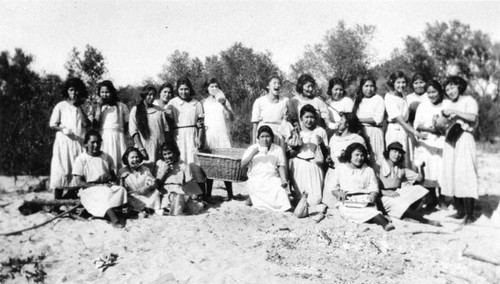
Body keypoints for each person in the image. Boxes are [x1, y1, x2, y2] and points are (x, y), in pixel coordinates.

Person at [326, 143, 394, 231]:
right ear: (350, 154)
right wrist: (339, 194)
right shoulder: (340, 169)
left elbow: (374, 188)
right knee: (347, 211)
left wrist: (373, 195)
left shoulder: (368, 170)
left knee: (371, 211)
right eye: (357, 155)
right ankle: (380, 219)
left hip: (364, 200)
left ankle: (384, 224)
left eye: (362, 155)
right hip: (348, 201)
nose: (359, 158)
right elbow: (333, 188)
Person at [441, 76, 479, 224]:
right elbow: (443, 122)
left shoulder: (469, 101)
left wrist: (455, 112)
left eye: (452, 87)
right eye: (447, 89)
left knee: (466, 173)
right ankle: (460, 210)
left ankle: (470, 214)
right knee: (451, 173)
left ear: (459, 86)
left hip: (464, 138)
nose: (450, 91)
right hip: (451, 139)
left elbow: (472, 118)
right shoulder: (447, 103)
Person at [73, 130, 128, 228]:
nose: (96, 145)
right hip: (89, 189)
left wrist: (113, 183)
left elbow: (113, 176)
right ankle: (114, 219)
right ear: (86, 143)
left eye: (98, 142)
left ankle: (113, 212)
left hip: (106, 186)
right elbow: (79, 182)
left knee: (121, 190)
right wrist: (98, 186)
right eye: (92, 142)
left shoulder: (106, 157)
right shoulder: (81, 159)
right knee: (102, 195)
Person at [377, 142, 440, 226]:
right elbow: (370, 186)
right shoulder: (378, 165)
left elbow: (420, 178)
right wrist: (385, 193)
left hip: (396, 194)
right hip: (381, 196)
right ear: (388, 152)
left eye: (400, 153)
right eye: (394, 151)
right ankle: (425, 221)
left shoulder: (401, 168)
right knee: (400, 204)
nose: (397, 155)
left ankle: (406, 215)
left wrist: (420, 167)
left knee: (420, 190)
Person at [49, 78, 90, 196]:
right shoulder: (61, 106)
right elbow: (52, 124)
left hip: (79, 142)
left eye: (77, 90)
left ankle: (68, 199)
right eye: (71, 90)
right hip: (64, 143)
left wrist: (78, 108)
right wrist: (62, 129)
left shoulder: (84, 106)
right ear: (67, 91)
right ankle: (56, 202)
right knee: (61, 170)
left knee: (77, 171)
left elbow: (86, 124)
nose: (74, 93)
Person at [166, 77, 206, 197]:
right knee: (182, 163)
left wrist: (199, 138)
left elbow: (201, 123)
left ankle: (201, 194)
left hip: (192, 135)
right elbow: (168, 121)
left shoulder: (197, 103)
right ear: (177, 90)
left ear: (190, 89)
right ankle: (185, 194)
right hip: (178, 136)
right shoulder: (172, 103)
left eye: (186, 89)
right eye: (181, 89)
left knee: (195, 164)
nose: (184, 92)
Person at [240, 126, 291, 212]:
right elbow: (242, 165)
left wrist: (283, 179)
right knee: (257, 189)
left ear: (272, 137)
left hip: (272, 178)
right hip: (256, 178)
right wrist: (253, 154)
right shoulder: (252, 148)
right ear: (258, 138)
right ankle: (252, 198)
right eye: (262, 137)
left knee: (280, 190)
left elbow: (281, 166)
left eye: (267, 136)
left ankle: (254, 198)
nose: (265, 139)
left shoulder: (277, 149)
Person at [413, 80, 446, 209]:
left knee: (442, 170)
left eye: (434, 92)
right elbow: (417, 125)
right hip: (427, 142)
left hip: (443, 142)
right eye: (429, 92)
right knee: (429, 170)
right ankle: (431, 198)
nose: (431, 95)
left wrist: (441, 128)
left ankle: (442, 199)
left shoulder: (446, 105)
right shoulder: (423, 106)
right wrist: (431, 130)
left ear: (440, 91)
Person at [384, 71, 427, 169]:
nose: (401, 85)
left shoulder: (403, 95)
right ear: (392, 83)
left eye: (403, 82)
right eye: (398, 82)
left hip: (405, 130)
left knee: (407, 158)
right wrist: (415, 132)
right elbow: (400, 120)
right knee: (396, 158)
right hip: (395, 130)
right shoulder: (389, 97)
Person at [289, 104, 328, 212]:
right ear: (301, 118)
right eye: (306, 117)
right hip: (299, 164)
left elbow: (326, 152)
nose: (309, 120)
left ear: (315, 118)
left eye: (312, 117)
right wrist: (297, 144)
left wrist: (321, 144)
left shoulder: (321, 131)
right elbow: (290, 152)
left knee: (315, 200)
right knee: (299, 197)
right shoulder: (297, 131)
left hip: (314, 165)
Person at [322, 113, 366, 208]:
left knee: (344, 206)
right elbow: (330, 154)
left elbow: (363, 159)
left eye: (341, 121)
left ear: (347, 124)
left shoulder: (357, 139)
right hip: (332, 173)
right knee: (329, 205)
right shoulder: (334, 138)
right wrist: (328, 158)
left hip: (346, 176)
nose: (338, 123)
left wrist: (346, 157)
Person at [202, 78, 235, 200]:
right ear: (207, 88)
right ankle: (208, 193)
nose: (214, 89)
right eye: (211, 86)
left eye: (216, 86)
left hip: (222, 135)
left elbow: (231, 117)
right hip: (209, 135)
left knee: (226, 165)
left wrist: (224, 105)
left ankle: (230, 194)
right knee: (210, 165)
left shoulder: (224, 101)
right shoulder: (203, 103)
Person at [129, 85, 170, 170]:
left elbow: (166, 129)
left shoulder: (159, 110)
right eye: (149, 94)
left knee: (160, 170)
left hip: (159, 147)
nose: (151, 97)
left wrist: (165, 147)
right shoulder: (136, 109)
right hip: (145, 147)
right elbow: (133, 131)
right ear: (144, 95)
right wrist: (141, 149)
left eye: (153, 95)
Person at [93, 80, 130, 170]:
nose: (104, 95)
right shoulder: (97, 107)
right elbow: (94, 125)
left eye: (107, 92)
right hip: (104, 138)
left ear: (112, 92)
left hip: (119, 138)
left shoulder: (121, 106)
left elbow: (127, 124)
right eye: (102, 92)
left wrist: (123, 136)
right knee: (105, 162)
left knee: (120, 161)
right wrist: (99, 108)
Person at [118, 147, 164, 214]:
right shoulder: (122, 171)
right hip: (132, 197)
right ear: (127, 158)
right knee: (128, 200)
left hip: (145, 195)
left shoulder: (145, 169)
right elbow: (121, 190)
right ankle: (146, 210)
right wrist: (122, 179)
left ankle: (147, 209)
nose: (135, 160)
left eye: (137, 157)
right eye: (132, 157)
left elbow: (154, 183)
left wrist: (147, 188)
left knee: (156, 192)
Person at [352, 76, 385, 165]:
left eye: (371, 86)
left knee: (376, 160)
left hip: (374, 132)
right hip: (360, 132)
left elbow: (378, 119)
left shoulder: (378, 99)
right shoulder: (357, 100)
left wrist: (358, 120)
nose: (369, 89)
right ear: (361, 87)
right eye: (366, 86)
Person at [251, 74, 290, 146]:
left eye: (279, 83)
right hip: (263, 134)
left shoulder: (284, 102)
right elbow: (255, 124)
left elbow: (286, 122)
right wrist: (253, 143)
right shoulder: (259, 101)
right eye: (274, 83)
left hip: (279, 136)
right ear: (268, 86)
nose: (277, 85)